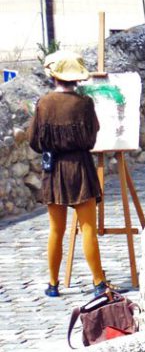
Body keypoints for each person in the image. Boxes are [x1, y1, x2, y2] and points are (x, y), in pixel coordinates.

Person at [27, 51, 108, 298]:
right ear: (76, 79)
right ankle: (98, 283)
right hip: (81, 168)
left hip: (54, 171)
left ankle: (53, 284)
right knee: (88, 230)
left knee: (56, 230)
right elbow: (92, 136)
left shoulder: (43, 104)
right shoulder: (85, 104)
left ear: (54, 77)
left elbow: (34, 141)